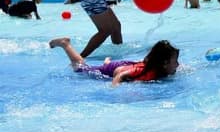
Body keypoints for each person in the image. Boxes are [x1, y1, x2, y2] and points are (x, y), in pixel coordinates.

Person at [49, 36, 179, 86]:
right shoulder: (145, 72)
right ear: (164, 63)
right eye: (175, 62)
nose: (177, 65)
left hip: (125, 64)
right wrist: (114, 87)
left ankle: (106, 63)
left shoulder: (160, 68)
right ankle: (65, 44)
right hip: (116, 69)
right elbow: (120, 74)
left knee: (104, 65)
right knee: (80, 68)